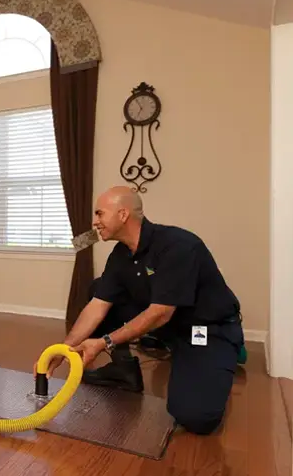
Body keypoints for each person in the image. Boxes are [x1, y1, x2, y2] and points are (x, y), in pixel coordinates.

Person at [47, 186, 244, 435]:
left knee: (195, 418)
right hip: (167, 328)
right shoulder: (120, 255)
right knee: (99, 288)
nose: (95, 222)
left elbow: (161, 312)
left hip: (204, 329)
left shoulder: (179, 246)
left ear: (123, 214)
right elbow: (98, 306)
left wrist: (104, 342)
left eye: (99, 214)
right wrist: (64, 349)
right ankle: (124, 371)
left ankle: (225, 353)